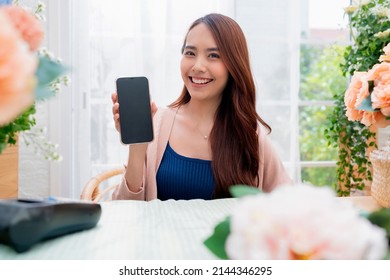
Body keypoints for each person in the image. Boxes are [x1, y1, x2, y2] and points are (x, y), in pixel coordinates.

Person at [111, 13, 292, 201]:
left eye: (213, 55)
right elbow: (125, 212)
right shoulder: (157, 123)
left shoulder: (249, 133)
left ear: (234, 65)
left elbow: (287, 203)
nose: (198, 66)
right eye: (190, 53)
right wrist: (137, 149)